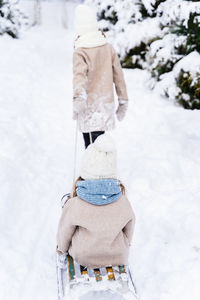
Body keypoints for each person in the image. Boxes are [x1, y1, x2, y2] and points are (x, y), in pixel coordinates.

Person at [56, 134, 135, 268]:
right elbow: (129, 228)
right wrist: (125, 244)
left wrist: (61, 250)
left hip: (84, 256)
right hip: (117, 255)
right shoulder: (123, 202)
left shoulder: (75, 204)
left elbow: (65, 232)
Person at [73, 4, 129, 149]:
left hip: (88, 108)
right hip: (105, 105)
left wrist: (78, 97)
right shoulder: (107, 47)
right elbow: (119, 76)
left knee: (90, 147)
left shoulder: (81, 50)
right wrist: (123, 101)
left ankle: (92, 171)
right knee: (101, 145)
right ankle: (102, 170)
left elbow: (79, 77)